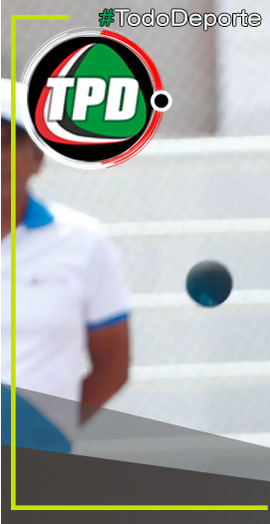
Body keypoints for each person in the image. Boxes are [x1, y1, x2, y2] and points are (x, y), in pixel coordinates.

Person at [1, 78, 131, 453]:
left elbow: (113, 366)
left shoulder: (84, 242)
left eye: (9, 141)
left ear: (37, 158)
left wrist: (47, 430)